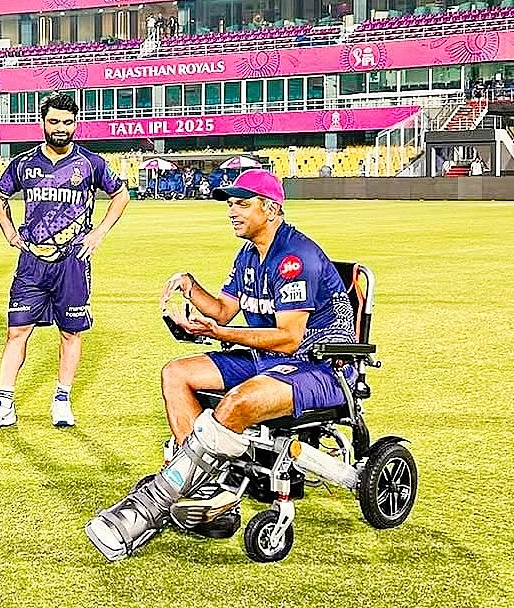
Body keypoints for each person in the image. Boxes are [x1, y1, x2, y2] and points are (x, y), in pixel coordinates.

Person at [85, 169, 358, 561]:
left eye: (241, 204)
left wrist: (220, 334)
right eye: (230, 203)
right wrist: (191, 288)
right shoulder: (248, 253)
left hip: (320, 366)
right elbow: (224, 311)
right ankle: (203, 491)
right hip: (271, 359)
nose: (232, 210)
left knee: (235, 404)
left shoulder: (294, 257)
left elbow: (289, 338)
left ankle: (159, 502)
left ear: (272, 209)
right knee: (176, 374)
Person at [0, 92, 130, 432]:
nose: (61, 128)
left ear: (76, 124)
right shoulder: (23, 163)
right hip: (32, 261)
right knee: (16, 331)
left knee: (71, 333)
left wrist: (99, 232)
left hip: (73, 262)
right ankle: (3, 404)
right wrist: (10, 234)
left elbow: (121, 194)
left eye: (68, 122)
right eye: (54, 121)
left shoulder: (90, 163)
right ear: (42, 122)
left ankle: (62, 399)